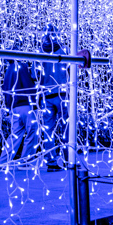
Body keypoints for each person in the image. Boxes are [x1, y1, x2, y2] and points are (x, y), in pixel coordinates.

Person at [0, 38, 41, 169]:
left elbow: (5, 91)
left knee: (15, 136)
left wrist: (9, 108)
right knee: (33, 131)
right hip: (26, 105)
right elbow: (28, 87)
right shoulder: (21, 67)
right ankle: (25, 160)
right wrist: (35, 102)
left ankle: (3, 161)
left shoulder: (8, 70)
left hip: (14, 108)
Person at [39, 24, 69, 172]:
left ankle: (51, 161)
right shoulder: (64, 51)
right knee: (66, 128)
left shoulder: (39, 53)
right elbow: (72, 69)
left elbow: (35, 74)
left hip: (47, 96)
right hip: (62, 94)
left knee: (48, 130)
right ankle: (68, 159)